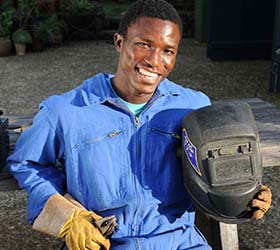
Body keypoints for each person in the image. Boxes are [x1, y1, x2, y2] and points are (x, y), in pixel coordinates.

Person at [7, 0, 272, 249]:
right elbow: (27, 163)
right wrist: (66, 215)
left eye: (167, 51)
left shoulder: (194, 107)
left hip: (179, 240)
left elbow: (216, 168)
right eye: (144, 44)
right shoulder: (65, 111)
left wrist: (243, 198)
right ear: (120, 42)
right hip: (104, 241)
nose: (155, 61)